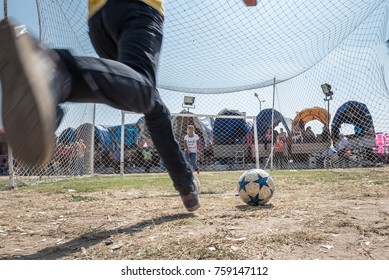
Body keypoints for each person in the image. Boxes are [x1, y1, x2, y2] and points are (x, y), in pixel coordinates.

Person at [0, 0, 199, 211]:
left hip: (99, 19)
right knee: (144, 90)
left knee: (151, 104)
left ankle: (185, 184)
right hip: (139, 8)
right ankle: (56, 69)